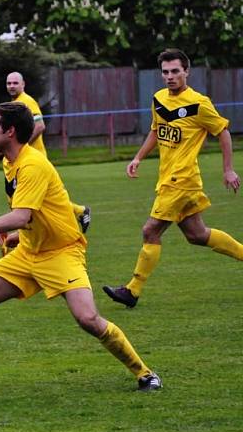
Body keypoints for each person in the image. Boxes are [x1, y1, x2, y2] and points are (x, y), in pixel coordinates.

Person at [0, 102, 161, 396]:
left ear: (10, 132)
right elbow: (30, 215)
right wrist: (16, 235)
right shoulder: (9, 160)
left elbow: (22, 215)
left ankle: (145, 373)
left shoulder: (33, 164)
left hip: (62, 252)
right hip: (28, 252)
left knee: (87, 319)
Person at [103, 48, 241, 308]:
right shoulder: (159, 99)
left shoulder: (199, 103)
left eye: (175, 71)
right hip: (169, 178)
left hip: (181, 179)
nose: (170, 76)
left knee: (150, 230)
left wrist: (228, 169)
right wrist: (137, 158)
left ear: (186, 71)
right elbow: (156, 131)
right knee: (197, 235)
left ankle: (131, 291)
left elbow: (223, 131)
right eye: (165, 72)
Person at [6, 71, 90, 232]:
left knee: (31, 198)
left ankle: (38, 230)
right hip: (23, 160)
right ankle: (79, 212)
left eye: (15, 83)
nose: (12, 86)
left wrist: (22, 145)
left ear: (23, 84)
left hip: (33, 160)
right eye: (9, 83)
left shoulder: (26, 102)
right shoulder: (16, 103)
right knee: (42, 199)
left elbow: (40, 125)